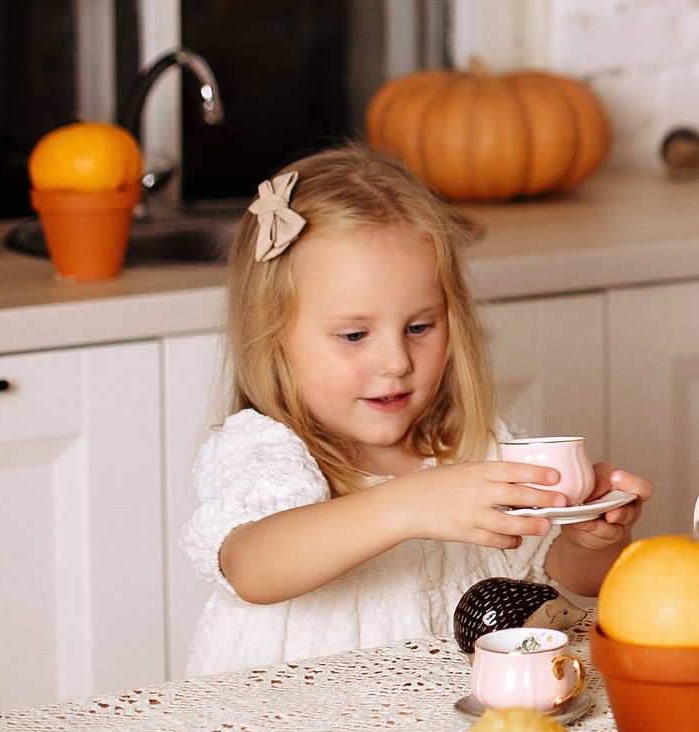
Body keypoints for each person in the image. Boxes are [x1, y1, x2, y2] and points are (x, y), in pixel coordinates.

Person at [182, 145, 653, 674]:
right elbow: (250, 566)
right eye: (355, 335)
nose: (395, 361)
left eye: (419, 327)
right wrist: (405, 505)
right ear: (272, 340)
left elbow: (552, 581)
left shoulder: (473, 443)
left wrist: (590, 540)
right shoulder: (265, 449)